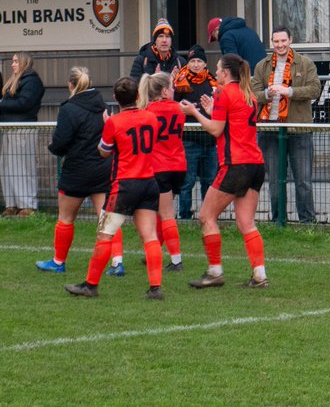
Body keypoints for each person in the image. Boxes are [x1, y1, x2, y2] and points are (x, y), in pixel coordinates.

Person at [64, 77, 164, 300]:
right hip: (148, 182)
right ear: (138, 96)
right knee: (149, 236)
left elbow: (104, 152)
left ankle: (90, 285)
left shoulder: (114, 122)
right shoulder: (151, 117)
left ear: (115, 98)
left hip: (124, 185)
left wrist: (109, 124)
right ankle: (155, 287)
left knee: (104, 235)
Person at [180, 53, 269, 289]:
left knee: (206, 216)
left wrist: (195, 113)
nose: (216, 72)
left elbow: (217, 130)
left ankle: (215, 272)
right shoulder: (249, 94)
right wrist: (211, 112)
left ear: (226, 73)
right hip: (255, 164)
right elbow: (233, 124)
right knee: (246, 223)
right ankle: (260, 275)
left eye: (218, 69)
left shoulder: (222, 91)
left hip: (235, 164)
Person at [37, 67, 110, 273]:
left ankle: (58, 262)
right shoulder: (101, 105)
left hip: (77, 169)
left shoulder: (69, 109)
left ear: (71, 85)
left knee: (66, 218)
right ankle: (116, 263)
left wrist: (54, 148)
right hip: (102, 169)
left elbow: (61, 141)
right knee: (105, 219)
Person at [251, 26, 320, 223]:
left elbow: (315, 89)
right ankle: (278, 221)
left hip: (298, 129)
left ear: (290, 40)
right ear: (272, 42)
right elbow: (253, 95)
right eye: (276, 41)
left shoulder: (305, 63)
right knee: (274, 181)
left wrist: (289, 91)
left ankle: (308, 223)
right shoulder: (262, 66)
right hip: (270, 130)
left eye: (283, 41)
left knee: (304, 181)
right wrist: (266, 94)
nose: (280, 45)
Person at [140, 72, 187, 271]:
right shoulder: (178, 108)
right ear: (164, 90)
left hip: (160, 167)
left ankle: (176, 260)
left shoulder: (148, 111)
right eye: (172, 86)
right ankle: (155, 249)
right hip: (179, 165)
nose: (174, 89)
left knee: (165, 214)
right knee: (162, 212)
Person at [174, 45, 218, 219]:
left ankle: (208, 215)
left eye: (200, 61)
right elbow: (172, 105)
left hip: (210, 139)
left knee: (209, 181)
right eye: (193, 61)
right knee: (187, 182)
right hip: (188, 139)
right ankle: (184, 215)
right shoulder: (179, 82)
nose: (196, 64)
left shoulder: (213, 82)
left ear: (205, 64)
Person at [0, 51, 44, 216]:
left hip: (23, 127)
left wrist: (2, 105)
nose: (12, 64)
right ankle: (11, 204)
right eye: (12, 61)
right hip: (9, 127)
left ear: (24, 63)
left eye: (16, 61)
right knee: (8, 167)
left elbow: (25, 103)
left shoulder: (32, 82)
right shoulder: (17, 80)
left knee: (23, 166)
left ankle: (28, 205)